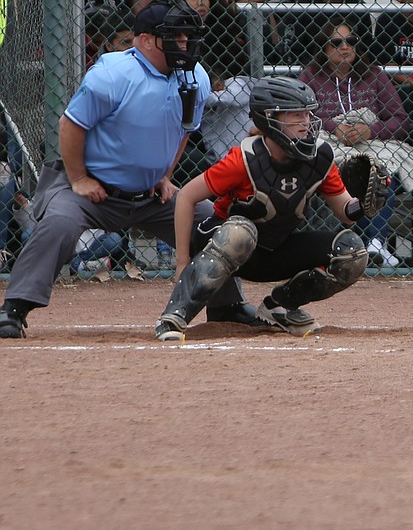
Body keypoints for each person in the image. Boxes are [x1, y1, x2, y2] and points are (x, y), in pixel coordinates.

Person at [0, 1, 259, 339]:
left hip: (149, 194)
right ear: (146, 40)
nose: (184, 44)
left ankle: (227, 305)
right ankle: (15, 308)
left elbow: (183, 130)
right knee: (59, 224)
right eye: (174, 37)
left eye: (187, 37)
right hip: (93, 188)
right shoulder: (114, 72)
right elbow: (70, 125)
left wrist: (164, 176)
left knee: (212, 222)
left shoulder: (195, 77)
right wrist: (78, 178)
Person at [154, 76, 370, 340]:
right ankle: (175, 315)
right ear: (270, 118)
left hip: (273, 250)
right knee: (240, 232)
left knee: (351, 252)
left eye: (308, 114)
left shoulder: (320, 156)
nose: (306, 122)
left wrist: (366, 204)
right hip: (223, 245)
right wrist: (182, 262)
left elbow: (345, 212)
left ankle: (280, 307)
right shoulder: (244, 159)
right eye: (296, 115)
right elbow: (187, 196)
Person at [298, 20, 413, 267]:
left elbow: (401, 121)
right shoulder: (310, 76)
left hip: (369, 143)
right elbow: (301, 116)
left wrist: (370, 130)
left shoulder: (375, 74)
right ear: (323, 47)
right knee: (339, 163)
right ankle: (359, 244)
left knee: (378, 167)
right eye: (336, 42)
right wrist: (334, 127)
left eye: (350, 41)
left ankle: (376, 244)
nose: (344, 47)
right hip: (330, 141)